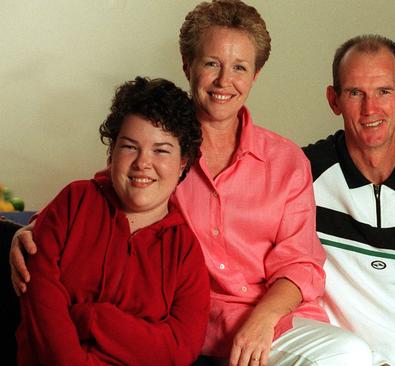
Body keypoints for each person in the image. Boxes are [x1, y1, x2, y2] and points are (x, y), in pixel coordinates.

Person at [11, 1, 371, 365]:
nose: (223, 81)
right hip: (197, 324)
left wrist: (262, 319)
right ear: (188, 65)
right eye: (211, 63)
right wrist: (31, 229)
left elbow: (301, 263)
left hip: (271, 324)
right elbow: (114, 186)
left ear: (255, 75)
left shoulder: (286, 160)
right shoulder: (163, 156)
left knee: (351, 354)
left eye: (239, 68)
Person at [16, 76, 209, 365]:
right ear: (112, 152)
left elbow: (180, 349)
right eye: (130, 146)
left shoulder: (185, 252)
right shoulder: (73, 202)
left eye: (161, 150)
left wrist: (93, 318)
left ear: (183, 163)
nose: (142, 163)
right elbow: (41, 299)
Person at [303, 34, 395, 365]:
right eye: (355, 93)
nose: (371, 109)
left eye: (384, 91)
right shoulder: (302, 174)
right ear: (334, 99)